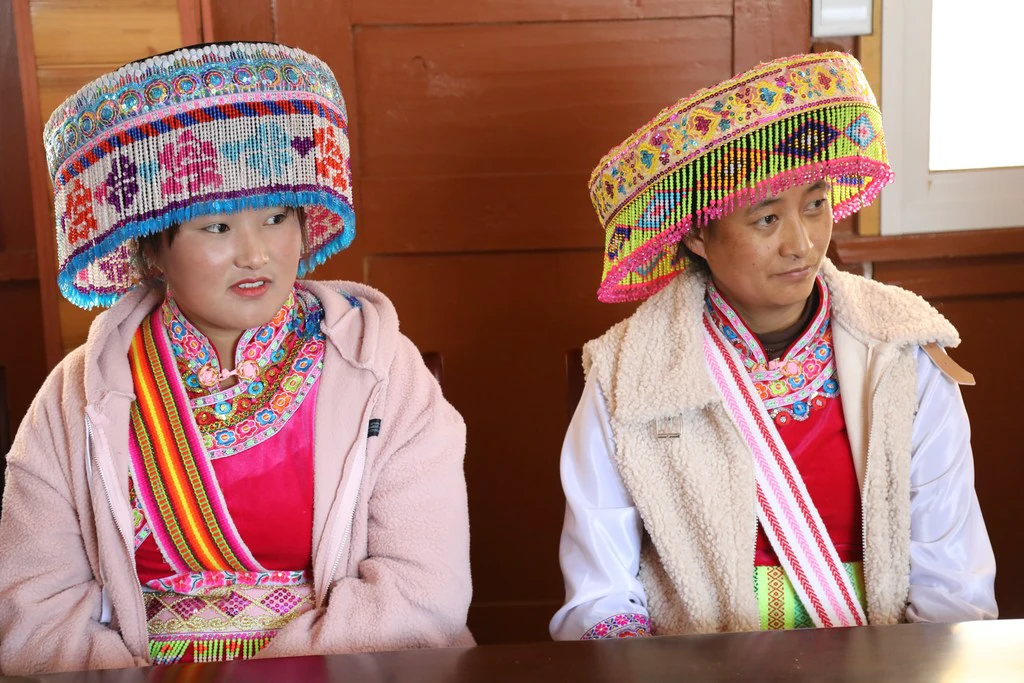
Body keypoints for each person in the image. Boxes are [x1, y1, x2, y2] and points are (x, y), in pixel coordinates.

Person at [0, 42, 472, 674]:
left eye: (276, 217)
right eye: (216, 226)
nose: (256, 254)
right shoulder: (75, 395)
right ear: (152, 252)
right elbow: (36, 609)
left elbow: (421, 590)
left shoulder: (385, 372)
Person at [550, 52, 997, 640]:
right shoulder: (626, 374)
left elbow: (951, 585)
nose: (803, 244)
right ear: (697, 235)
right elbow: (601, 598)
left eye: (815, 205)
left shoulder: (904, 353)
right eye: (766, 219)